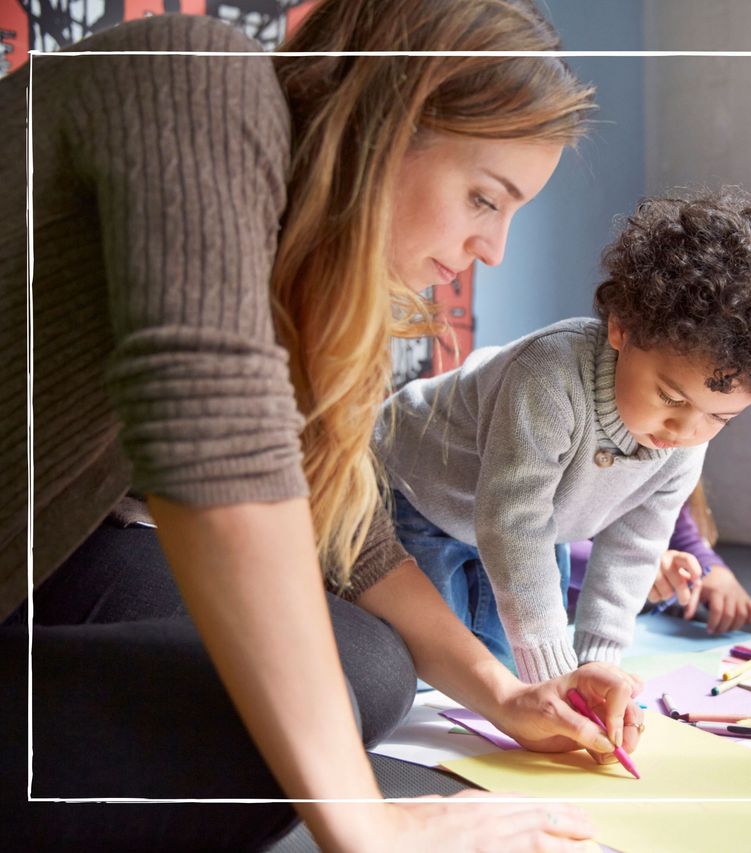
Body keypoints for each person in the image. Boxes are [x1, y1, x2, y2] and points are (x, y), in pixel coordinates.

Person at [0, 2, 648, 849]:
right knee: (283, 734)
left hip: (44, 564)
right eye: (484, 198)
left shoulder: (285, 253)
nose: (492, 248)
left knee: (367, 671)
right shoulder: (195, 80)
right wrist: (371, 824)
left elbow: (348, 529)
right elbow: (213, 454)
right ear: (382, 127)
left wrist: (501, 690)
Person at [377, 189, 751, 682]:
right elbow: (512, 525)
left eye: (717, 419)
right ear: (622, 328)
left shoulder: (686, 439)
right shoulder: (548, 375)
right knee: (439, 673)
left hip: (535, 523)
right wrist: (556, 677)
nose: (685, 431)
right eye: (671, 398)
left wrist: (597, 663)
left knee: (511, 670)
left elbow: (635, 545)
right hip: (420, 491)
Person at [568, 481, 751, 635]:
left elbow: (677, 527)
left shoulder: (675, 453)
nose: (677, 434)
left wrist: (712, 569)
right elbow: (546, 542)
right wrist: (634, 565)